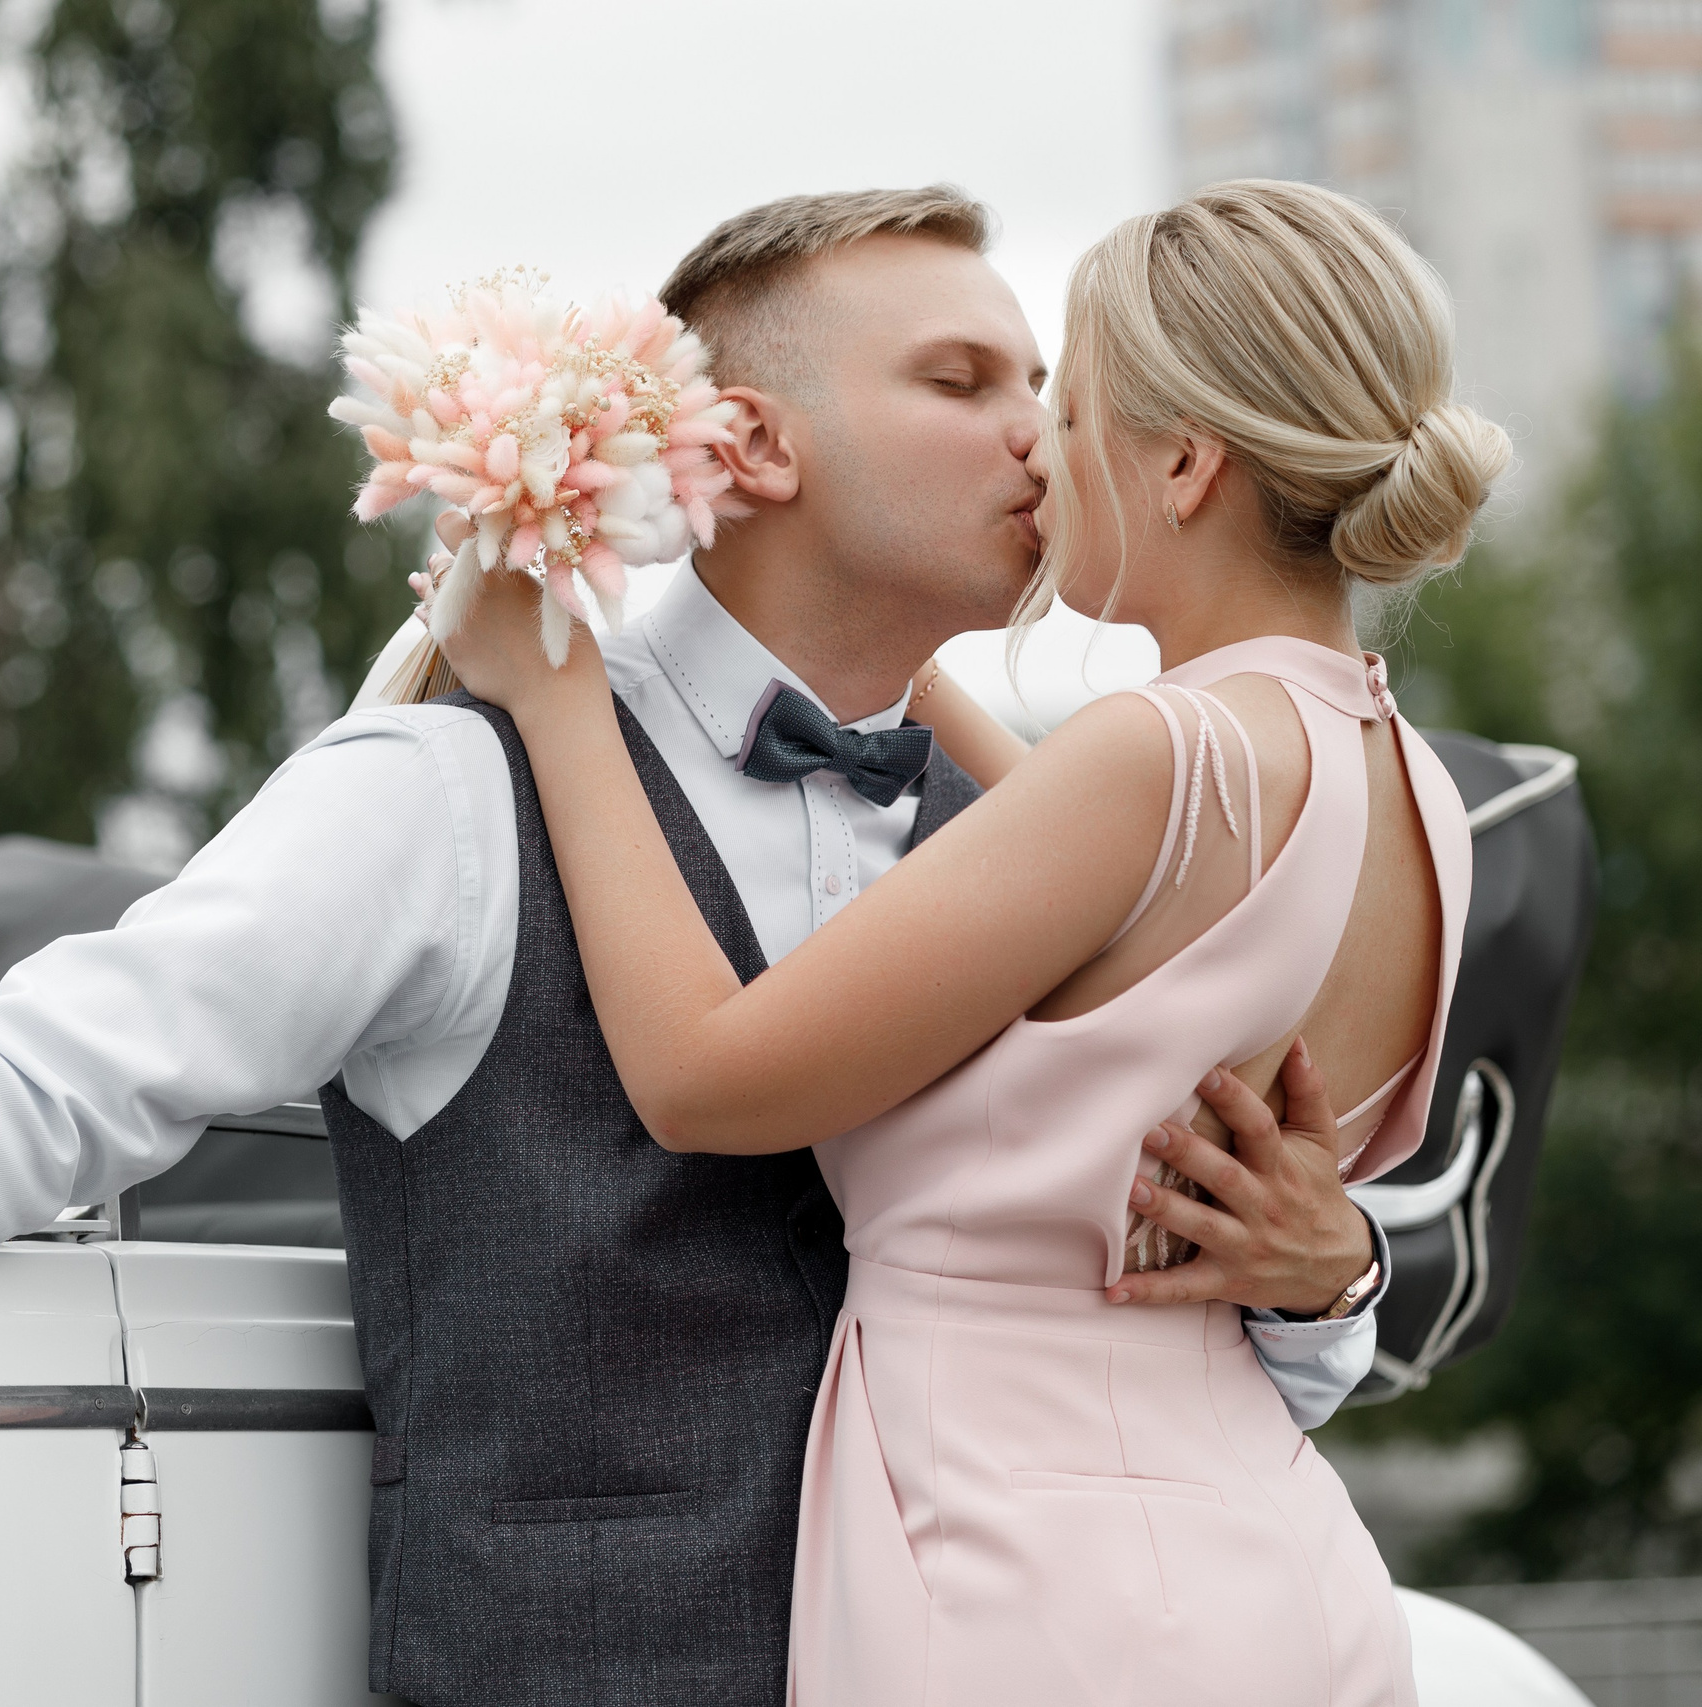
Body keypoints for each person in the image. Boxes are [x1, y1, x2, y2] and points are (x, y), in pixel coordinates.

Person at [0, 189, 1390, 1707]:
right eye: (960, 376)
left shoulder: (1033, 832)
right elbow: (58, 1069)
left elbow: (1162, 1308)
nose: (1043, 428)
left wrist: (1327, 1272)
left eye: (1043, 378)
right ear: (736, 445)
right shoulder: (445, 790)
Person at [435, 179, 1501, 1704]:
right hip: (1281, 1582)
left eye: (1072, 405)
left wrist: (553, 697)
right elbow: (1142, 942)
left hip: (1029, 1585)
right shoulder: (1407, 790)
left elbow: (703, 1077)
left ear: (1186, 463)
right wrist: (909, 676)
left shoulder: (1157, 757)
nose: (1038, 446)